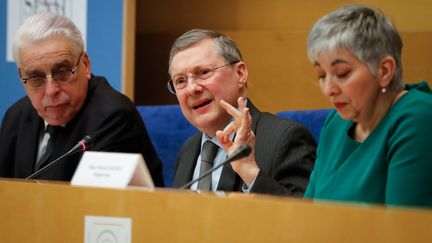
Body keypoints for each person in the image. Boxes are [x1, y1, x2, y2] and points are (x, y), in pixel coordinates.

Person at [0, 12, 164, 186]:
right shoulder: (16, 117)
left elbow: (88, 205)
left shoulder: (114, 117)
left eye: (62, 72)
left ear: (85, 64)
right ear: (21, 76)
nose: (51, 90)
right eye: (36, 78)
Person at [304, 5, 432, 207]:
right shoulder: (336, 122)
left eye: (343, 73)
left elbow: (404, 231)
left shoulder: (418, 118)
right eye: (321, 75)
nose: (329, 89)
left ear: (384, 71)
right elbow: (308, 212)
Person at [169, 29, 316, 196]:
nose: (192, 88)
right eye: (180, 81)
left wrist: (250, 172)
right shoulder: (188, 150)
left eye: (204, 73)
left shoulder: (285, 139)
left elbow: (302, 217)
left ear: (240, 74)